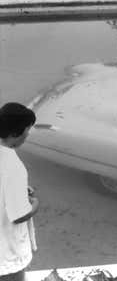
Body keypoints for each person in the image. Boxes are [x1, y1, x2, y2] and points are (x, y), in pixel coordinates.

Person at [0, 103, 39, 281]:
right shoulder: (12, 165)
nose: (27, 135)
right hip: (6, 256)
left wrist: (17, 189)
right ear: (15, 133)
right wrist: (35, 204)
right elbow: (19, 215)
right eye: (26, 131)